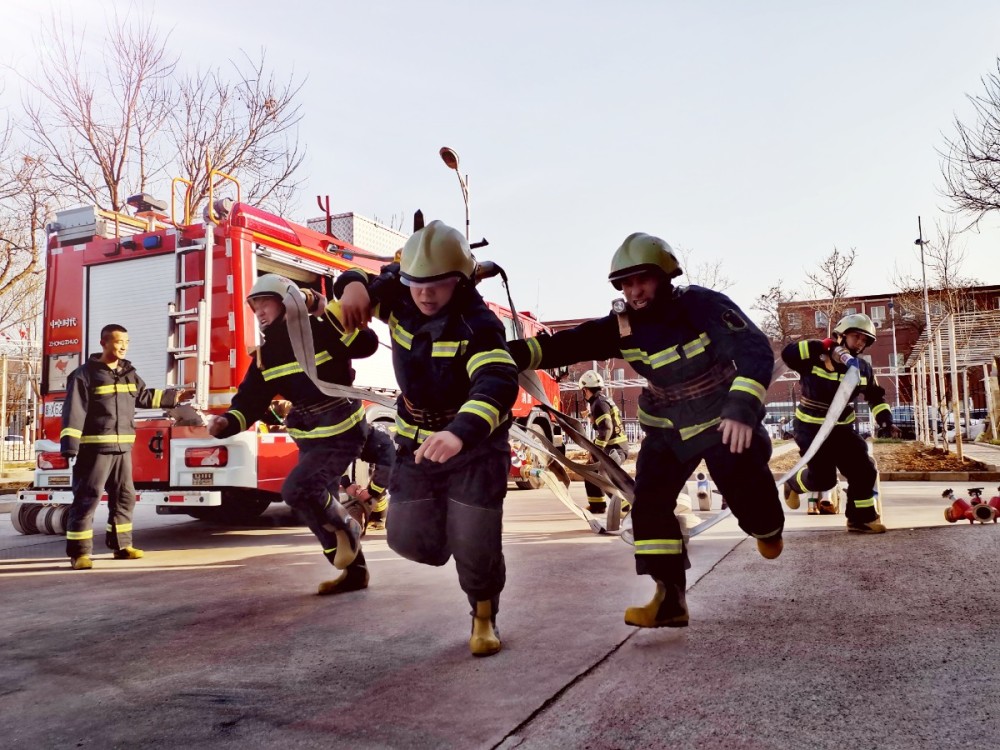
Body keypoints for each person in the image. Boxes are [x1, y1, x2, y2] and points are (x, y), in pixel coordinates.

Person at [506, 232, 784, 629]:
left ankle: (766, 526)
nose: (634, 291)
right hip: (668, 430)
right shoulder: (624, 327)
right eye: (626, 283)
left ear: (664, 276)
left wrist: (741, 409)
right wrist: (502, 354)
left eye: (643, 280)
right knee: (650, 506)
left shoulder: (701, 306)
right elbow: (565, 346)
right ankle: (669, 598)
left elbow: (754, 348)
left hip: (722, 422)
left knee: (750, 500)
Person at [336, 219, 518, 657]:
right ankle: (462, 541)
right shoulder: (401, 296)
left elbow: (495, 379)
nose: (425, 294)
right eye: (417, 283)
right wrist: (352, 285)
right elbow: (369, 281)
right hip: (416, 449)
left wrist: (459, 432)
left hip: (474, 450)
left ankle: (483, 615)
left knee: (475, 542)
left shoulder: (479, 323)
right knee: (406, 538)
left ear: (461, 280)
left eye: (437, 284)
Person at [206, 274, 394, 595]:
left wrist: (332, 315)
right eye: (255, 308)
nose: (260, 312)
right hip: (310, 435)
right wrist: (227, 423)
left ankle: (352, 522)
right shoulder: (266, 355)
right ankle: (354, 571)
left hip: (340, 428)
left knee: (299, 490)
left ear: (288, 302)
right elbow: (250, 400)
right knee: (311, 501)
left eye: (266, 303)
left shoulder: (320, 331)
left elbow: (367, 344)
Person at [60, 324, 191, 570]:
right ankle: (79, 554)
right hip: (95, 449)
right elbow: (74, 412)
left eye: (127, 342)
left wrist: (174, 396)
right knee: (87, 499)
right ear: (104, 343)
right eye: (119, 342)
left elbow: (143, 397)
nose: (123, 347)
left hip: (122, 449)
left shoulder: (128, 372)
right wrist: (70, 445)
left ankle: (121, 546)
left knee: (124, 498)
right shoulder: (83, 375)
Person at [780, 313, 895, 533]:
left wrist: (886, 420)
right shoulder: (814, 358)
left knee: (864, 470)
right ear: (841, 335)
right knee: (824, 481)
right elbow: (788, 354)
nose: (860, 343)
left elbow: (875, 396)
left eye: (865, 340)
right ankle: (794, 483)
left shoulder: (862, 368)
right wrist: (822, 346)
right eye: (856, 336)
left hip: (842, 429)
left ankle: (861, 519)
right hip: (810, 428)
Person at [577, 369, 630, 514]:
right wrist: (591, 416)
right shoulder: (602, 401)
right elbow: (604, 423)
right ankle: (597, 505)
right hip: (615, 446)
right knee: (591, 472)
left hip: (615, 448)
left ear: (586, 390)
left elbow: (606, 428)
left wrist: (596, 452)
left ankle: (624, 506)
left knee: (604, 475)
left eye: (583, 391)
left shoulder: (598, 404)